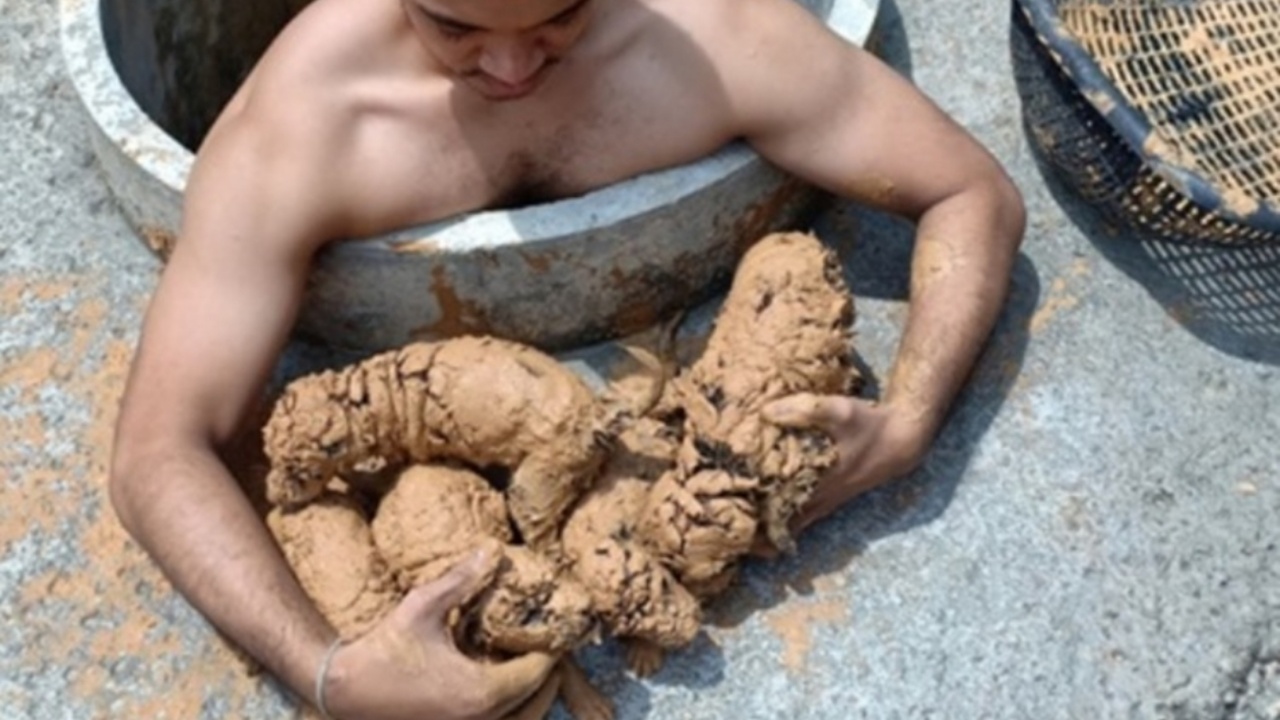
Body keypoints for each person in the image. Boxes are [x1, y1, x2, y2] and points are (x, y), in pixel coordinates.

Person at [109, 0, 1026, 716]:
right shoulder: (307, 123)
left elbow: (968, 190)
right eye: (453, 25)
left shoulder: (715, 37)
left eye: (559, 18)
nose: (510, 67)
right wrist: (330, 673)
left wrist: (909, 419)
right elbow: (159, 451)